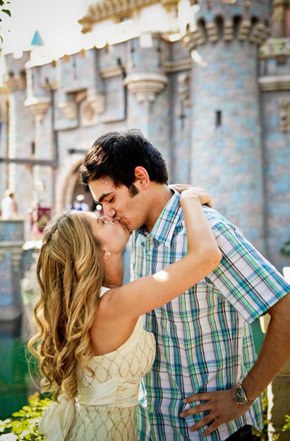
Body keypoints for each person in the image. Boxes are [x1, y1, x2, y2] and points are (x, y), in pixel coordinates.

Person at [80, 129, 290, 441]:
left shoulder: (210, 231)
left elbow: (285, 309)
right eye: (101, 204)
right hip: (153, 430)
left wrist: (242, 397)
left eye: (110, 199)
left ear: (140, 178)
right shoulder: (134, 237)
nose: (107, 212)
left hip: (214, 435)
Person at [28, 188, 221, 441]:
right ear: (100, 250)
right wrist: (188, 199)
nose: (108, 215)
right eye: (100, 222)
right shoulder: (115, 305)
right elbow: (206, 256)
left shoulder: (97, 303)